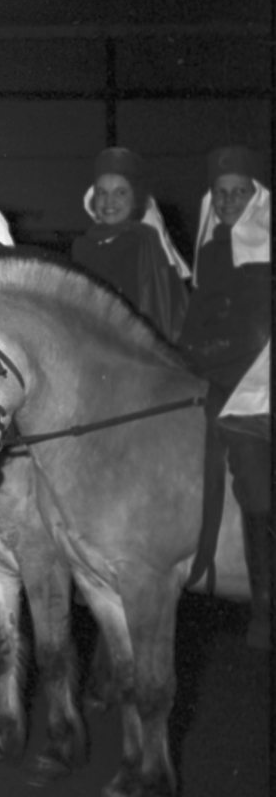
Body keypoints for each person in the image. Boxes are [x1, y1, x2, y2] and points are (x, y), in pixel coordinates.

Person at [179, 147, 271, 650]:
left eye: (239, 192)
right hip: (217, 377)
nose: (230, 200)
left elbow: (256, 327)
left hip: (258, 383)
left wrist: (203, 353)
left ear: (256, 195)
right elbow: (198, 315)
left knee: (256, 479)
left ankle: (265, 607)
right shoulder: (212, 248)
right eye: (221, 193)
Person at [70, 147, 190, 342]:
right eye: (101, 192)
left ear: (135, 200)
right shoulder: (82, 245)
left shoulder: (144, 240)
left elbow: (157, 312)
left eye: (120, 192)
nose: (109, 201)